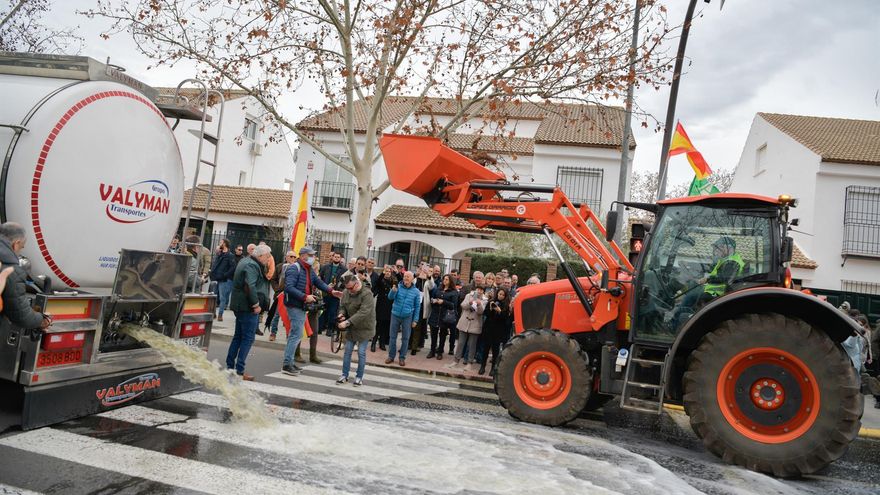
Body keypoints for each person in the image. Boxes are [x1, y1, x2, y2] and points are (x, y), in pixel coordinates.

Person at [281, 246, 342, 375]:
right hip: (294, 305)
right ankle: (287, 364)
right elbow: (289, 287)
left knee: (296, 334)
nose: (313, 257)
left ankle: (290, 362)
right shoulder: (294, 268)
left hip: (301, 305)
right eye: (311, 255)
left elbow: (318, 282)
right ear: (303, 255)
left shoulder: (308, 269)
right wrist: (305, 297)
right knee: (295, 335)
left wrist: (331, 291)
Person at [226, 244, 272, 380]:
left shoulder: (245, 260)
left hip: (241, 306)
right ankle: (239, 371)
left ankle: (230, 368)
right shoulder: (251, 265)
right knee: (247, 338)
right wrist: (256, 304)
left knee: (238, 337)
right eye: (268, 256)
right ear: (261, 255)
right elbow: (250, 285)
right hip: (247, 307)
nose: (268, 259)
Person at [0, 223, 51, 330]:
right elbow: (21, 315)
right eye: (21, 247)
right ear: (16, 243)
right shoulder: (10, 270)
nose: (19, 252)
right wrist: (41, 320)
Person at [336, 274, 376, 386]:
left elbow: (363, 312)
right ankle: (344, 375)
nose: (348, 291)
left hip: (365, 327)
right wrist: (341, 314)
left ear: (357, 283)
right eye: (346, 288)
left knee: (361, 352)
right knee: (347, 350)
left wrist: (347, 322)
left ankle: (359, 377)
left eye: (350, 288)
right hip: (352, 327)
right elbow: (343, 306)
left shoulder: (367, 294)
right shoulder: (346, 292)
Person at [386, 270, 421, 367]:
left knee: (405, 338)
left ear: (412, 279)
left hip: (407, 316)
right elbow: (390, 297)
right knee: (392, 337)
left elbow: (417, 307)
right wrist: (393, 291)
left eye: (408, 277)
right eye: (405, 276)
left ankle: (402, 358)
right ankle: (391, 356)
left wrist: (415, 320)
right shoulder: (398, 287)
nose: (406, 278)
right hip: (395, 314)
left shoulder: (416, 292)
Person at [480, 288, 511, 375]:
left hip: (498, 331)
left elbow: (506, 320)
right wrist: (490, 308)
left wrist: (500, 311)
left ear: (505, 296)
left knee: (495, 350)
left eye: (502, 295)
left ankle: (493, 368)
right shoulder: (491, 301)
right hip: (488, 329)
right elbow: (485, 313)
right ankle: (482, 366)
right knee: (485, 349)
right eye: (499, 294)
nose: (500, 296)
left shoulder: (506, 305)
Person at [267, 250, 296, 341]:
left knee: (289, 317)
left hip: (291, 296)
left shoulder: (297, 268)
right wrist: (277, 289)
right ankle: (273, 333)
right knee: (276, 315)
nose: (293, 258)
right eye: (291, 256)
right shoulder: (280, 267)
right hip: (280, 295)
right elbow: (273, 279)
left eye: (294, 257)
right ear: (286, 257)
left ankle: (288, 335)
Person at [428, 274, 458, 360]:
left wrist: (443, 302)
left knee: (442, 335)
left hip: (445, 316)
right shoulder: (438, 289)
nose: (445, 281)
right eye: (444, 279)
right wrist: (433, 301)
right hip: (435, 314)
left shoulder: (454, 292)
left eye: (447, 279)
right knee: (433, 334)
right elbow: (433, 297)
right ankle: (432, 351)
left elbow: (453, 305)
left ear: (450, 281)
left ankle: (440, 352)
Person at [454, 285, 485, 367]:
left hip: (475, 324)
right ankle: (456, 360)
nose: (479, 291)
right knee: (460, 343)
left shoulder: (484, 300)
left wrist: (479, 305)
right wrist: (469, 302)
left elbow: (481, 312)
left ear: (483, 292)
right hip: (464, 321)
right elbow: (463, 305)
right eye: (478, 289)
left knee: (472, 344)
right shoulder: (468, 296)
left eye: (481, 290)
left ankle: (469, 362)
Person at [209, 239, 236, 321]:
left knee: (222, 297)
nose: (219, 244)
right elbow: (215, 264)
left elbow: (233, 267)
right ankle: (213, 313)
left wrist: (225, 275)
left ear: (224, 244)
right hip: (215, 278)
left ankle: (220, 314)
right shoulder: (219, 254)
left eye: (221, 242)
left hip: (223, 279)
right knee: (213, 296)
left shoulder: (230, 255)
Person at [319, 251, 345, 336]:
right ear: (332, 257)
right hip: (325, 292)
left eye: (338, 257)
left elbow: (345, 282)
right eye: (335, 257)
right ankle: (319, 328)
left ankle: (330, 329)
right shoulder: (325, 267)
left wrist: (339, 288)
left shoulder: (344, 269)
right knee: (322, 310)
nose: (336, 258)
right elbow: (320, 277)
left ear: (340, 258)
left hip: (336, 294)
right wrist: (325, 285)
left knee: (333, 312)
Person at [371, 265, 394, 352]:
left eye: (389, 272)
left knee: (385, 326)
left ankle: (382, 343)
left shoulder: (392, 281)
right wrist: (382, 273)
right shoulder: (381, 280)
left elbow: (397, 282)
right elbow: (378, 281)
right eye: (386, 271)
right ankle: (374, 342)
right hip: (381, 305)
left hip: (389, 306)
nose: (388, 273)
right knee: (379, 325)